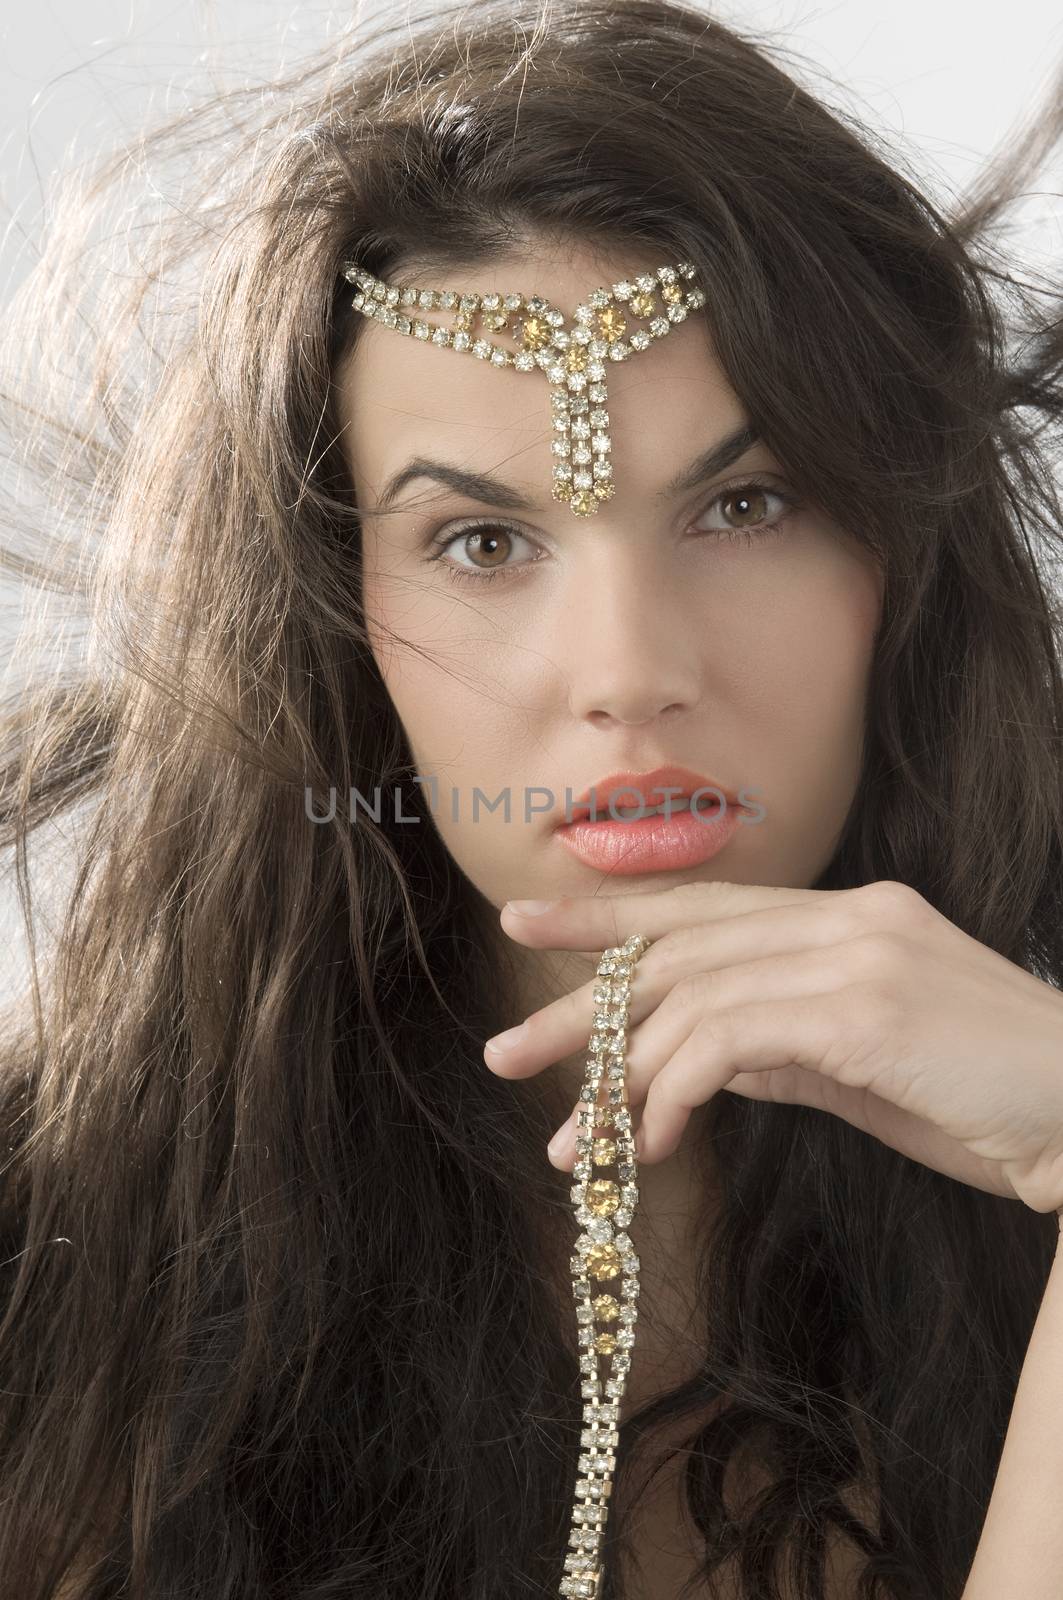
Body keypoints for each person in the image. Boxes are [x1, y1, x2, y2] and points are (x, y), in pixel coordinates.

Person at [2, 0, 1063, 1595]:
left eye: (746, 502)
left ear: (901, 554)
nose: (629, 672)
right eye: (483, 543)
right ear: (334, 622)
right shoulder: (47, 1256)